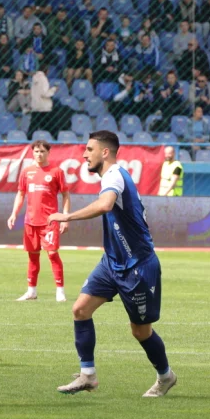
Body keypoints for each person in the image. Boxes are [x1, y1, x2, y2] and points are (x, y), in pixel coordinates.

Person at [49, 131, 175, 397]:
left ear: (105, 152)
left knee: (140, 331)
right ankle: (88, 375)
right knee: (80, 309)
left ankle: (166, 376)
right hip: (112, 261)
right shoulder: (110, 177)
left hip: (138, 267)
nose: (84, 154)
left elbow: (106, 205)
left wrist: (68, 216)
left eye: (89, 149)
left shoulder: (116, 175)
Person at [7, 140, 70, 302]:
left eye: (42, 151)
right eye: (36, 151)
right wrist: (14, 214)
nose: (39, 154)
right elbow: (20, 194)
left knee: (53, 254)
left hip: (49, 222)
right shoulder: (27, 172)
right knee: (33, 257)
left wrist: (65, 217)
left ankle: (60, 291)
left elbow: (65, 195)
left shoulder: (57, 172)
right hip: (30, 222)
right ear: (32, 153)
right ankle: (31, 291)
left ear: (48, 152)